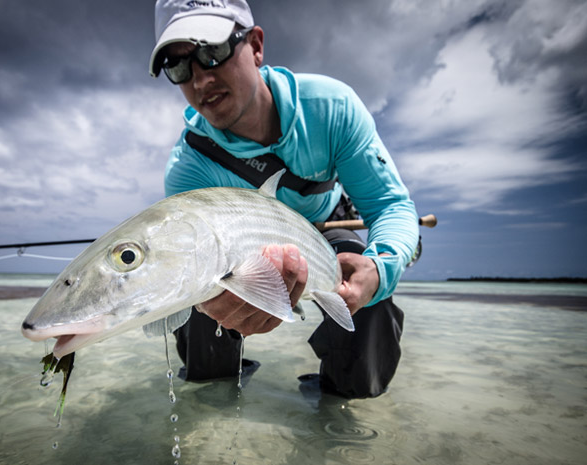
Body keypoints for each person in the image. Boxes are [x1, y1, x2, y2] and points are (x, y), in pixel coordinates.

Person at [148, 0, 419, 398]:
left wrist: (380, 269)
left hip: (326, 231)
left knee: (370, 291)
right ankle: (214, 399)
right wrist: (209, 303)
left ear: (256, 45)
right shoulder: (188, 167)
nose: (200, 80)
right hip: (237, 253)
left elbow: (391, 207)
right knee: (200, 293)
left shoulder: (333, 109)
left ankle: (341, 405)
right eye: (178, 65)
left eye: (212, 52)